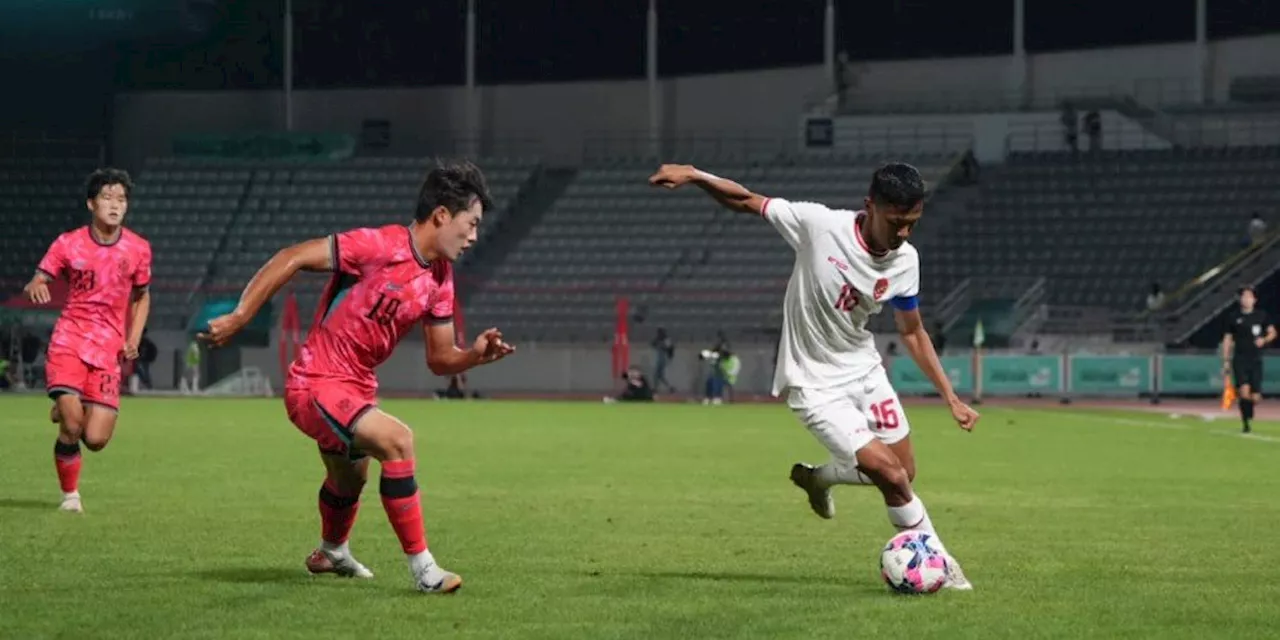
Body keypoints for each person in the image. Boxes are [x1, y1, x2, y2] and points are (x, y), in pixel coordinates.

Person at [650, 161, 979, 590]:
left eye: (912, 224)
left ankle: (818, 477)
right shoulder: (820, 225)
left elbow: (912, 331)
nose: (903, 234)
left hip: (864, 370)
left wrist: (950, 396)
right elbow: (747, 200)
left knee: (905, 472)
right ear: (871, 206)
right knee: (893, 480)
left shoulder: (906, 260)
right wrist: (696, 176)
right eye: (896, 222)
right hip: (813, 383)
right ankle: (942, 564)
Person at [199, 160, 515, 594]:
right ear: (442, 215)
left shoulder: (441, 278)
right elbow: (292, 256)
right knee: (398, 441)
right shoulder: (378, 246)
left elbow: (440, 360)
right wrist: (239, 316)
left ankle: (331, 551)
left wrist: (475, 356)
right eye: (471, 223)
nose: (475, 236)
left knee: (350, 478)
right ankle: (425, 570)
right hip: (316, 381)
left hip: (355, 385)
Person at [22, 168, 152, 514]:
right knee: (73, 426)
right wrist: (38, 283)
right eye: (107, 198)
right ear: (91, 204)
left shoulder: (138, 249)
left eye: (121, 199)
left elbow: (142, 296)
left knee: (95, 439)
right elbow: (40, 276)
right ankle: (70, 495)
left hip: (108, 348)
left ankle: (65, 405)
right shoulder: (68, 243)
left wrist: (133, 336)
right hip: (70, 339)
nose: (115, 205)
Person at [1222, 286, 1275, 434]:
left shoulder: (1261, 315)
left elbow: (1272, 332)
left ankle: (1248, 411)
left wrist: (1264, 340)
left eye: (1249, 297)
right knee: (1244, 391)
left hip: (1256, 359)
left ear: (1254, 299)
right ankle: (1246, 423)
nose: (1246, 299)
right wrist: (1225, 359)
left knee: (1255, 397)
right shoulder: (1233, 317)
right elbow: (1227, 338)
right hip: (1240, 358)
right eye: (1244, 297)